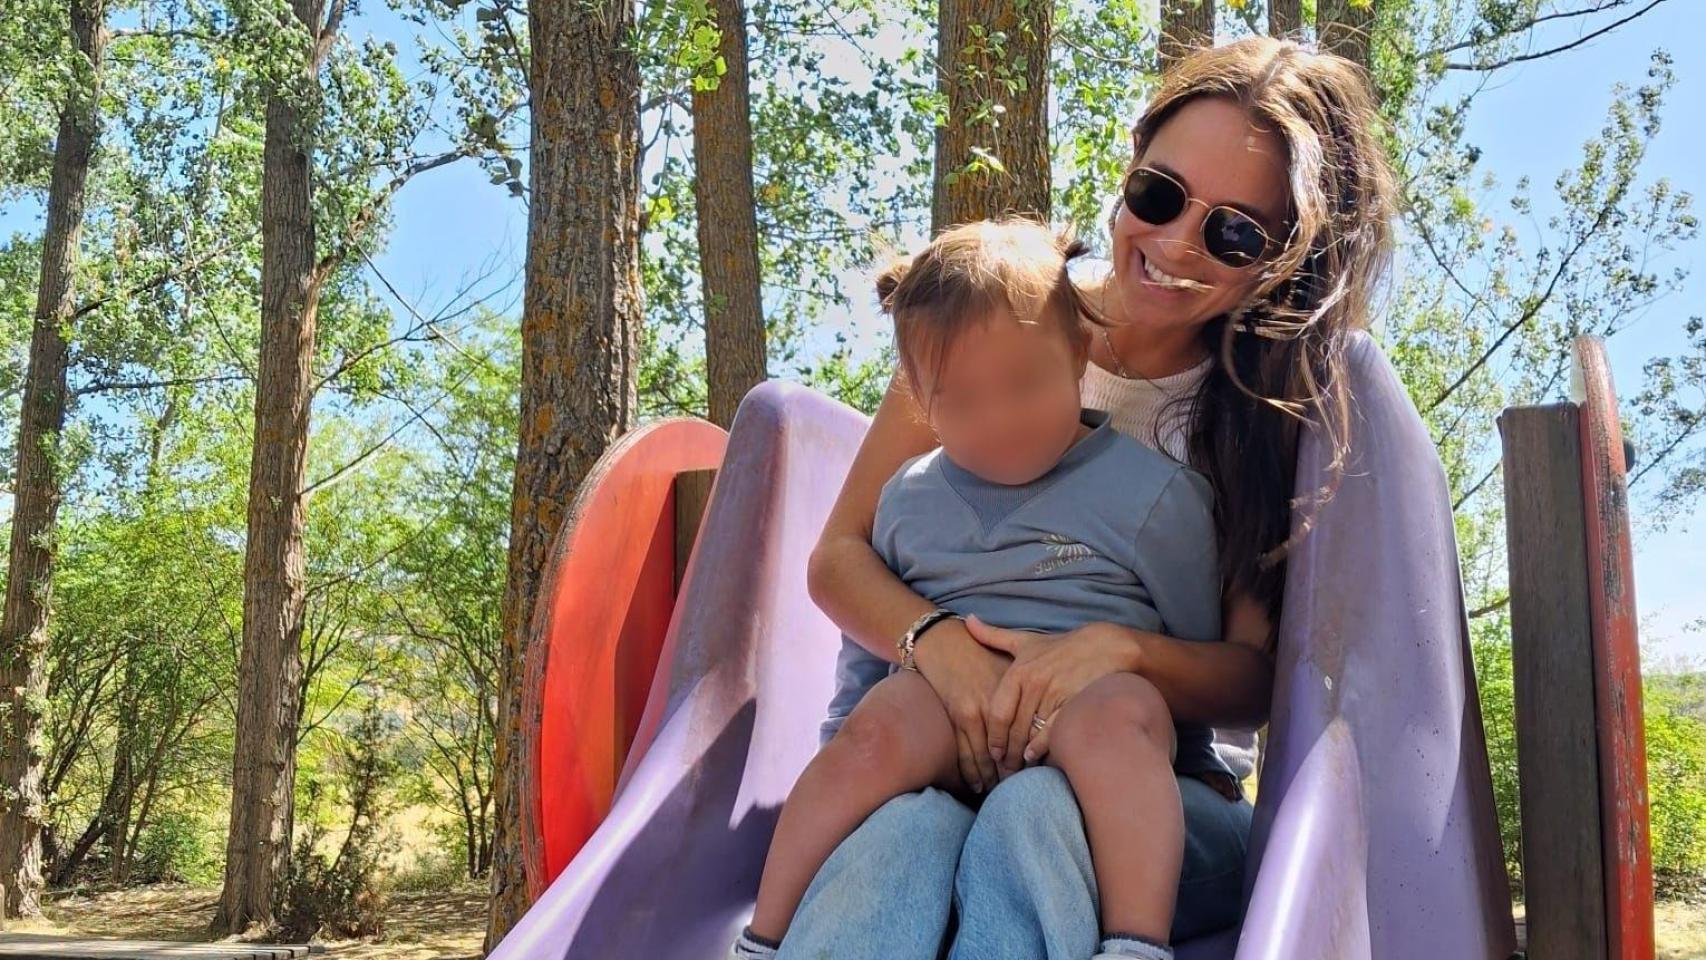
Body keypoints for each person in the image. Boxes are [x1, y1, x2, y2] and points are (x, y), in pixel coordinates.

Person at [769, 36, 1399, 960]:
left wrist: (1120, 652)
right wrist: (940, 648)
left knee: (1032, 816)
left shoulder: (1261, 413)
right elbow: (840, 558)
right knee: (904, 837)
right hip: (943, 747)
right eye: (1160, 194)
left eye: (1234, 232)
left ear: (1287, 256)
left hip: (1141, 792)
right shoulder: (992, 324)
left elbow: (1249, 682)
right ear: (1131, 168)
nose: (1176, 243)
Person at [732, 219, 1232, 960]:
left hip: (1082, 714)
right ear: (921, 402)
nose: (998, 421)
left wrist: (1192, 756)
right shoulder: (905, 500)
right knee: (881, 721)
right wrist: (860, 742)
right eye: (961, 401)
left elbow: (1194, 650)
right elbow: (869, 659)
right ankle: (763, 940)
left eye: (1025, 384)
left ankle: (1135, 944)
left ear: (1079, 355)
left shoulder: (1157, 497)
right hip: (950, 717)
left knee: (1122, 714)